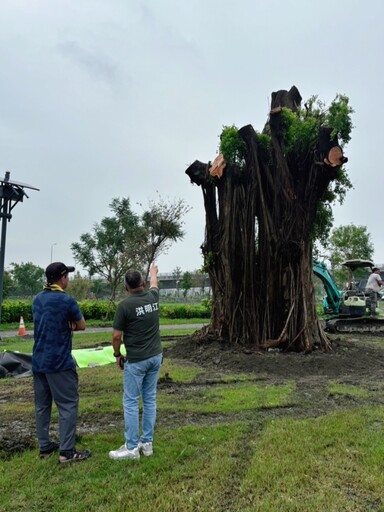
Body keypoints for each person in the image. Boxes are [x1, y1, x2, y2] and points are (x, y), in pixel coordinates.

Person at [32, 262, 91, 463]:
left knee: (42, 406)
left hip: (38, 361)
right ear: (63, 277)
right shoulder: (67, 301)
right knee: (67, 405)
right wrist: (70, 325)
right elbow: (82, 325)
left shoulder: (37, 299)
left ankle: (45, 446)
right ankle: (67, 452)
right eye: (68, 276)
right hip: (59, 362)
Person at [109, 263, 162, 460]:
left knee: (131, 401)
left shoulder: (124, 306)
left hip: (137, 360)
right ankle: (147, 444)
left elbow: (116, 336)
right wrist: (154, 272)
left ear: (126, 288)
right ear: (143, 283)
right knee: (149, 399)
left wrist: (117, 355)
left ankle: (131, 447)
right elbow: (155, 285)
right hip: (155, 357)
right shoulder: (153, 298)